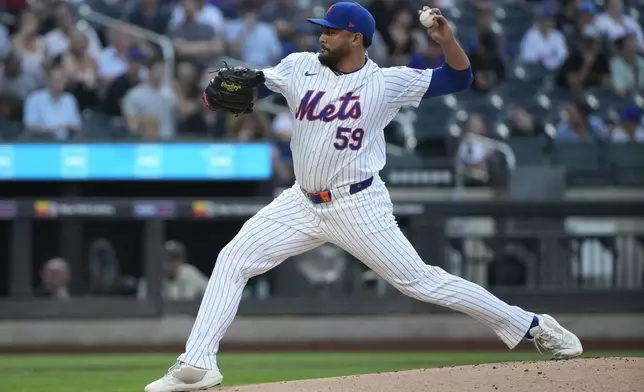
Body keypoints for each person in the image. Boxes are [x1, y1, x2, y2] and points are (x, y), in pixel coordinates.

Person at [144, 3, 583, 391]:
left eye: (330, 30)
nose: (322, 35)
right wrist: (244, 85)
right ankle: (198, 364)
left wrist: (446, 39)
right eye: (322, 28)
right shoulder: (301, 66)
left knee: (422, 282)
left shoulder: (386, 83)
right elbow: (257, 83)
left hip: (358, 203)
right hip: (300, 202)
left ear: (355, 38)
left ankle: (532, 325)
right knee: (232, 258)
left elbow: (458, 77)